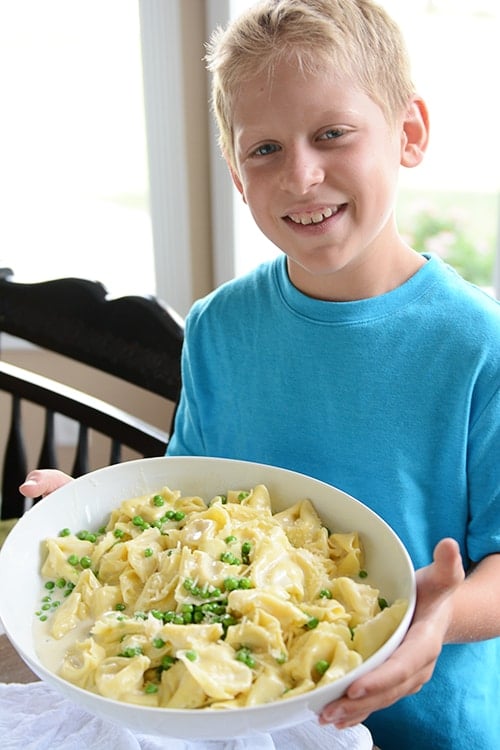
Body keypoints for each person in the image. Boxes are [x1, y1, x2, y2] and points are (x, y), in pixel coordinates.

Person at [21, 1, 500, 748]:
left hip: (423, 722)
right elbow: (192, 495)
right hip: (240, 722)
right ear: (237, 175)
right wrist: (90, 521)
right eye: (264, 149)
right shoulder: (219, 326)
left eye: (332, 134)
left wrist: (432, 613)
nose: (301, 175)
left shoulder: (479, 344)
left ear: (408, 135)